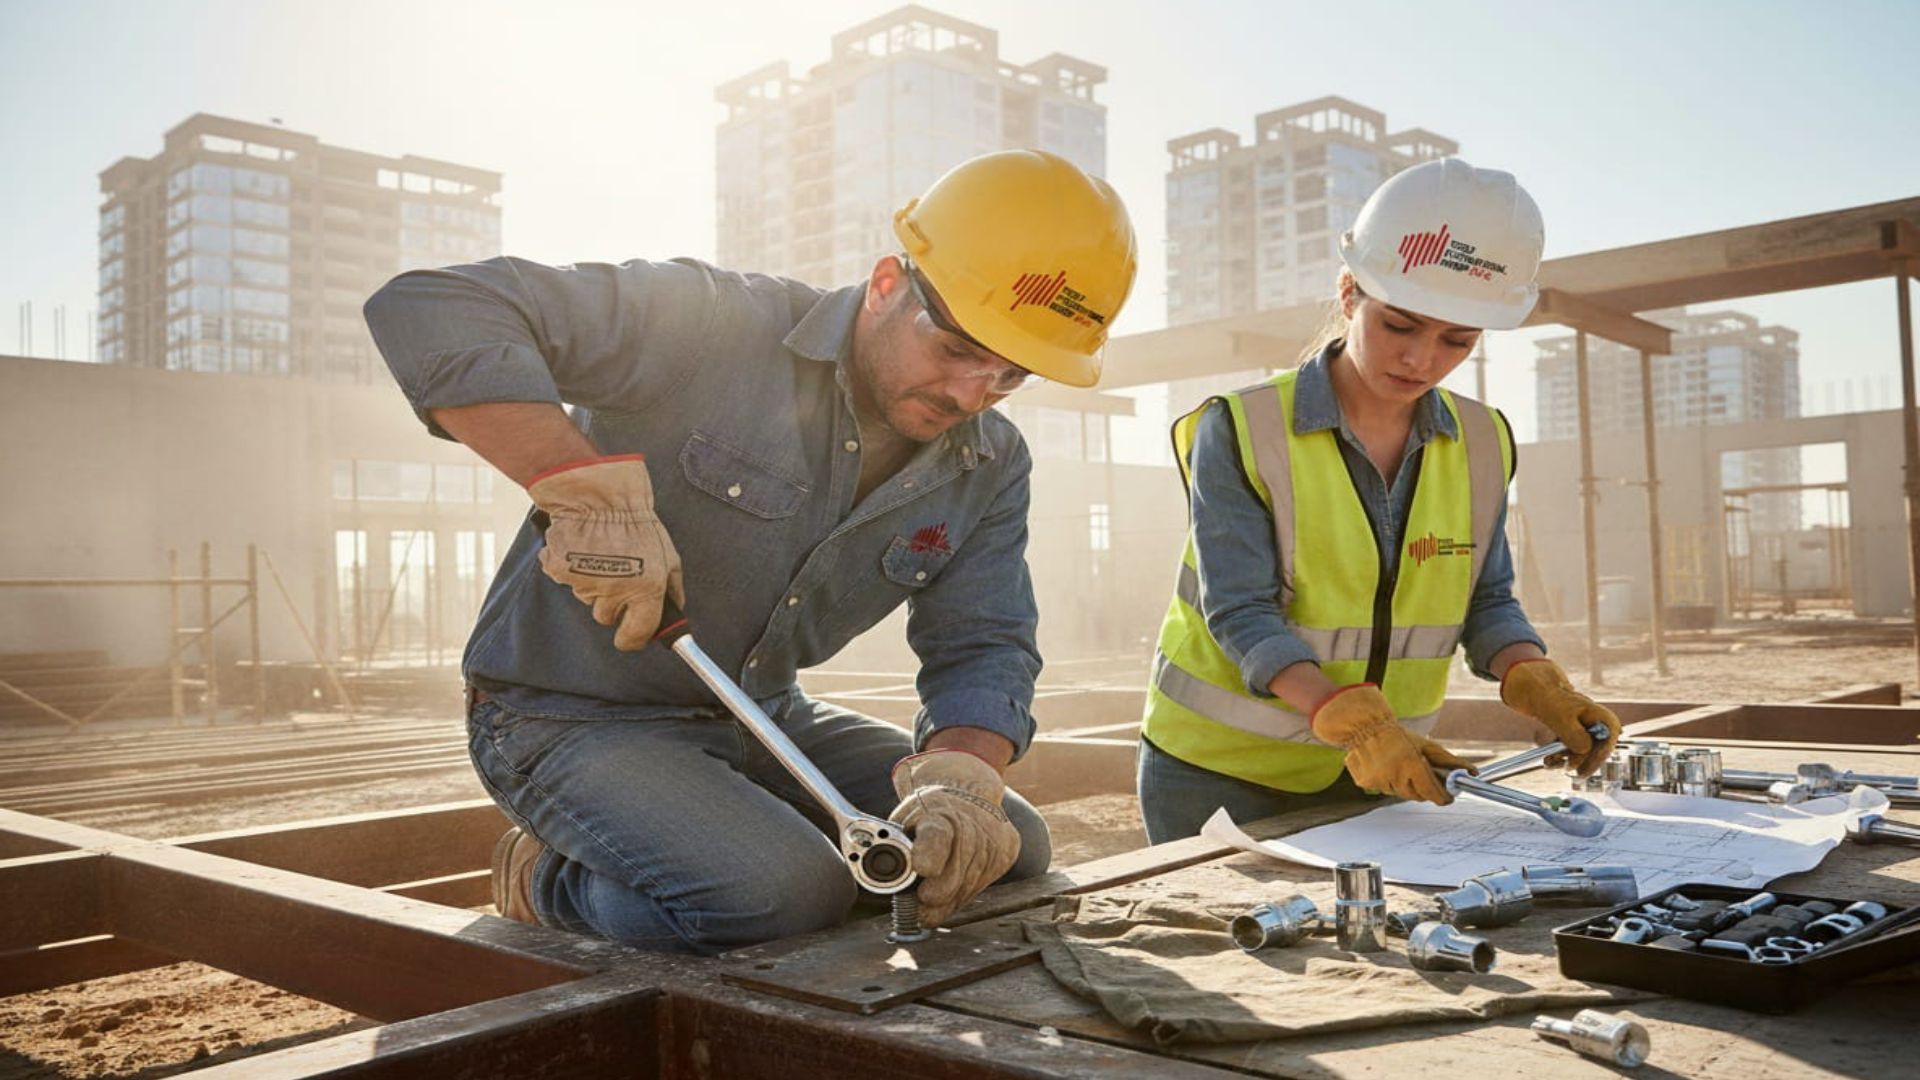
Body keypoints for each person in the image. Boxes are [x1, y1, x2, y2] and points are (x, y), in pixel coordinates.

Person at [364, 149, 1138, 951]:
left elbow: (984, 640)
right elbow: (433, 305)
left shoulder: (990, 463)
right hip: (570, 714)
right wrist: (580, 489)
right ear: (886, 284)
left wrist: (961, 779)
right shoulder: (710, 326)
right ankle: (545, 880)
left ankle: (719, 843)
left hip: (762, 714)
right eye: (957, 350)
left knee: (1001, 849)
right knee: (775, 895)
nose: (971, 395)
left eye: (1010, 376)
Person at [1136, 158, 1619, 843]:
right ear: (1349, 294)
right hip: (1219, 773)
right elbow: (1240, 611)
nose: (1422, 359)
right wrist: (1355, 723)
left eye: (1458, 340)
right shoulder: (1243, 427)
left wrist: (1534, 677)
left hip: (1385, 770)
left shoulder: (1483, 442)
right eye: (1400, 325)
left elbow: (1485, 599)